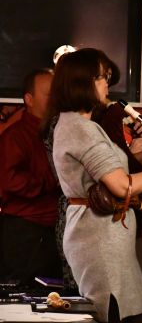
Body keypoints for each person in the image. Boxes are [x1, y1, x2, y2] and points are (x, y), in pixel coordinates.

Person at [50, 48, 142, 322]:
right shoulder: (82, 129)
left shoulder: (79, 125)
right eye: (102, 77)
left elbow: (109, 171)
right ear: (83, 82)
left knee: (131, 313)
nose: (107, 84)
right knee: (118, 314)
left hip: (103, 239)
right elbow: (123, 186)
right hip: (99, 241)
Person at [0, 68, 62, 286]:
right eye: (49, 94)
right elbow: (9, 181)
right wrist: (51, 181)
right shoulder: (15, 137)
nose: (56, 99)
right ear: (29, 99)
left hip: (55, 229)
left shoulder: (60, 133)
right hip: (26, 232)